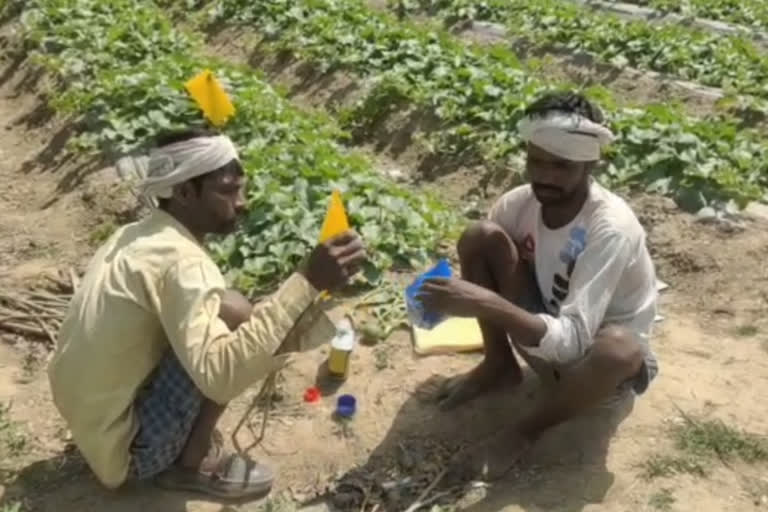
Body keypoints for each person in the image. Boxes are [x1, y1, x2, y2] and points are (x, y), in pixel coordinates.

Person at [48, 129, 366, 498]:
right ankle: (190, 460)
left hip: (87, 421)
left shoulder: (136, 235)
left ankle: (162, 439)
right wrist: (307, 280)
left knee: (231, 306)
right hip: (129, 453)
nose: (242, 202)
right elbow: (222, 377)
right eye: (228, 191)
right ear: (184, 193)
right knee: (231, 333)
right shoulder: (184, 264)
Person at [418, 91, 658, 479]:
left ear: (590, 163)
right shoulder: (519, 204)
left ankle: (523, 433)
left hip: (593, 374)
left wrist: (486, 303)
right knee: (480, 236)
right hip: (544, 330)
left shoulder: (609, 227)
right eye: (536, 162)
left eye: (561, 166)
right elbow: (490, 261)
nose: (544, 176)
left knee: (619, 347)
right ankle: (498, 366)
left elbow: (576, 340)